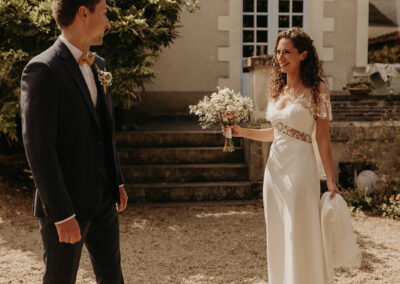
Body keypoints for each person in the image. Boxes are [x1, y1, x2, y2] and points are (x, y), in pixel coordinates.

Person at [20, 0, 128, 283]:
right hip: (67, 206)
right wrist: (61, 214)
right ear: (83, 13)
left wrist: (117, 182)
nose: (108, 23)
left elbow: (105, 130)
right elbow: (39, 148)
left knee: (113, 278)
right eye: (104, 13)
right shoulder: (42, 69)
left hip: (104, 199)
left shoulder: (99, 65)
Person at [223, 28, 340, 283]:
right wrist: (241, 131)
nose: (280, 57)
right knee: (279, 231)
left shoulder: (318, 89)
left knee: (298, 229)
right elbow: (276, 133)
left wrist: (330, 179)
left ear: (303, 55)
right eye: (278, 52)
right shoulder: (278, 89)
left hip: (300, 168)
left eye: (287, 51)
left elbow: (322, 137)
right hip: (274, 171)